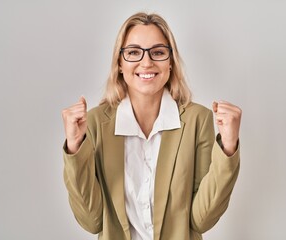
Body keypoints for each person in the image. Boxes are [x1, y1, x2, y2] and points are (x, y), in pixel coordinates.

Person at [62, 12, 241, 240]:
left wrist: (228, 146)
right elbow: (92, 220)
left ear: (170, 63)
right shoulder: (96, 123)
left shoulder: (198, 119)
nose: (146, 62)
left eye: (157, 52)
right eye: (134, 52)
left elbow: (201, 219)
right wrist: (75, 148)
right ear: (119, 63)